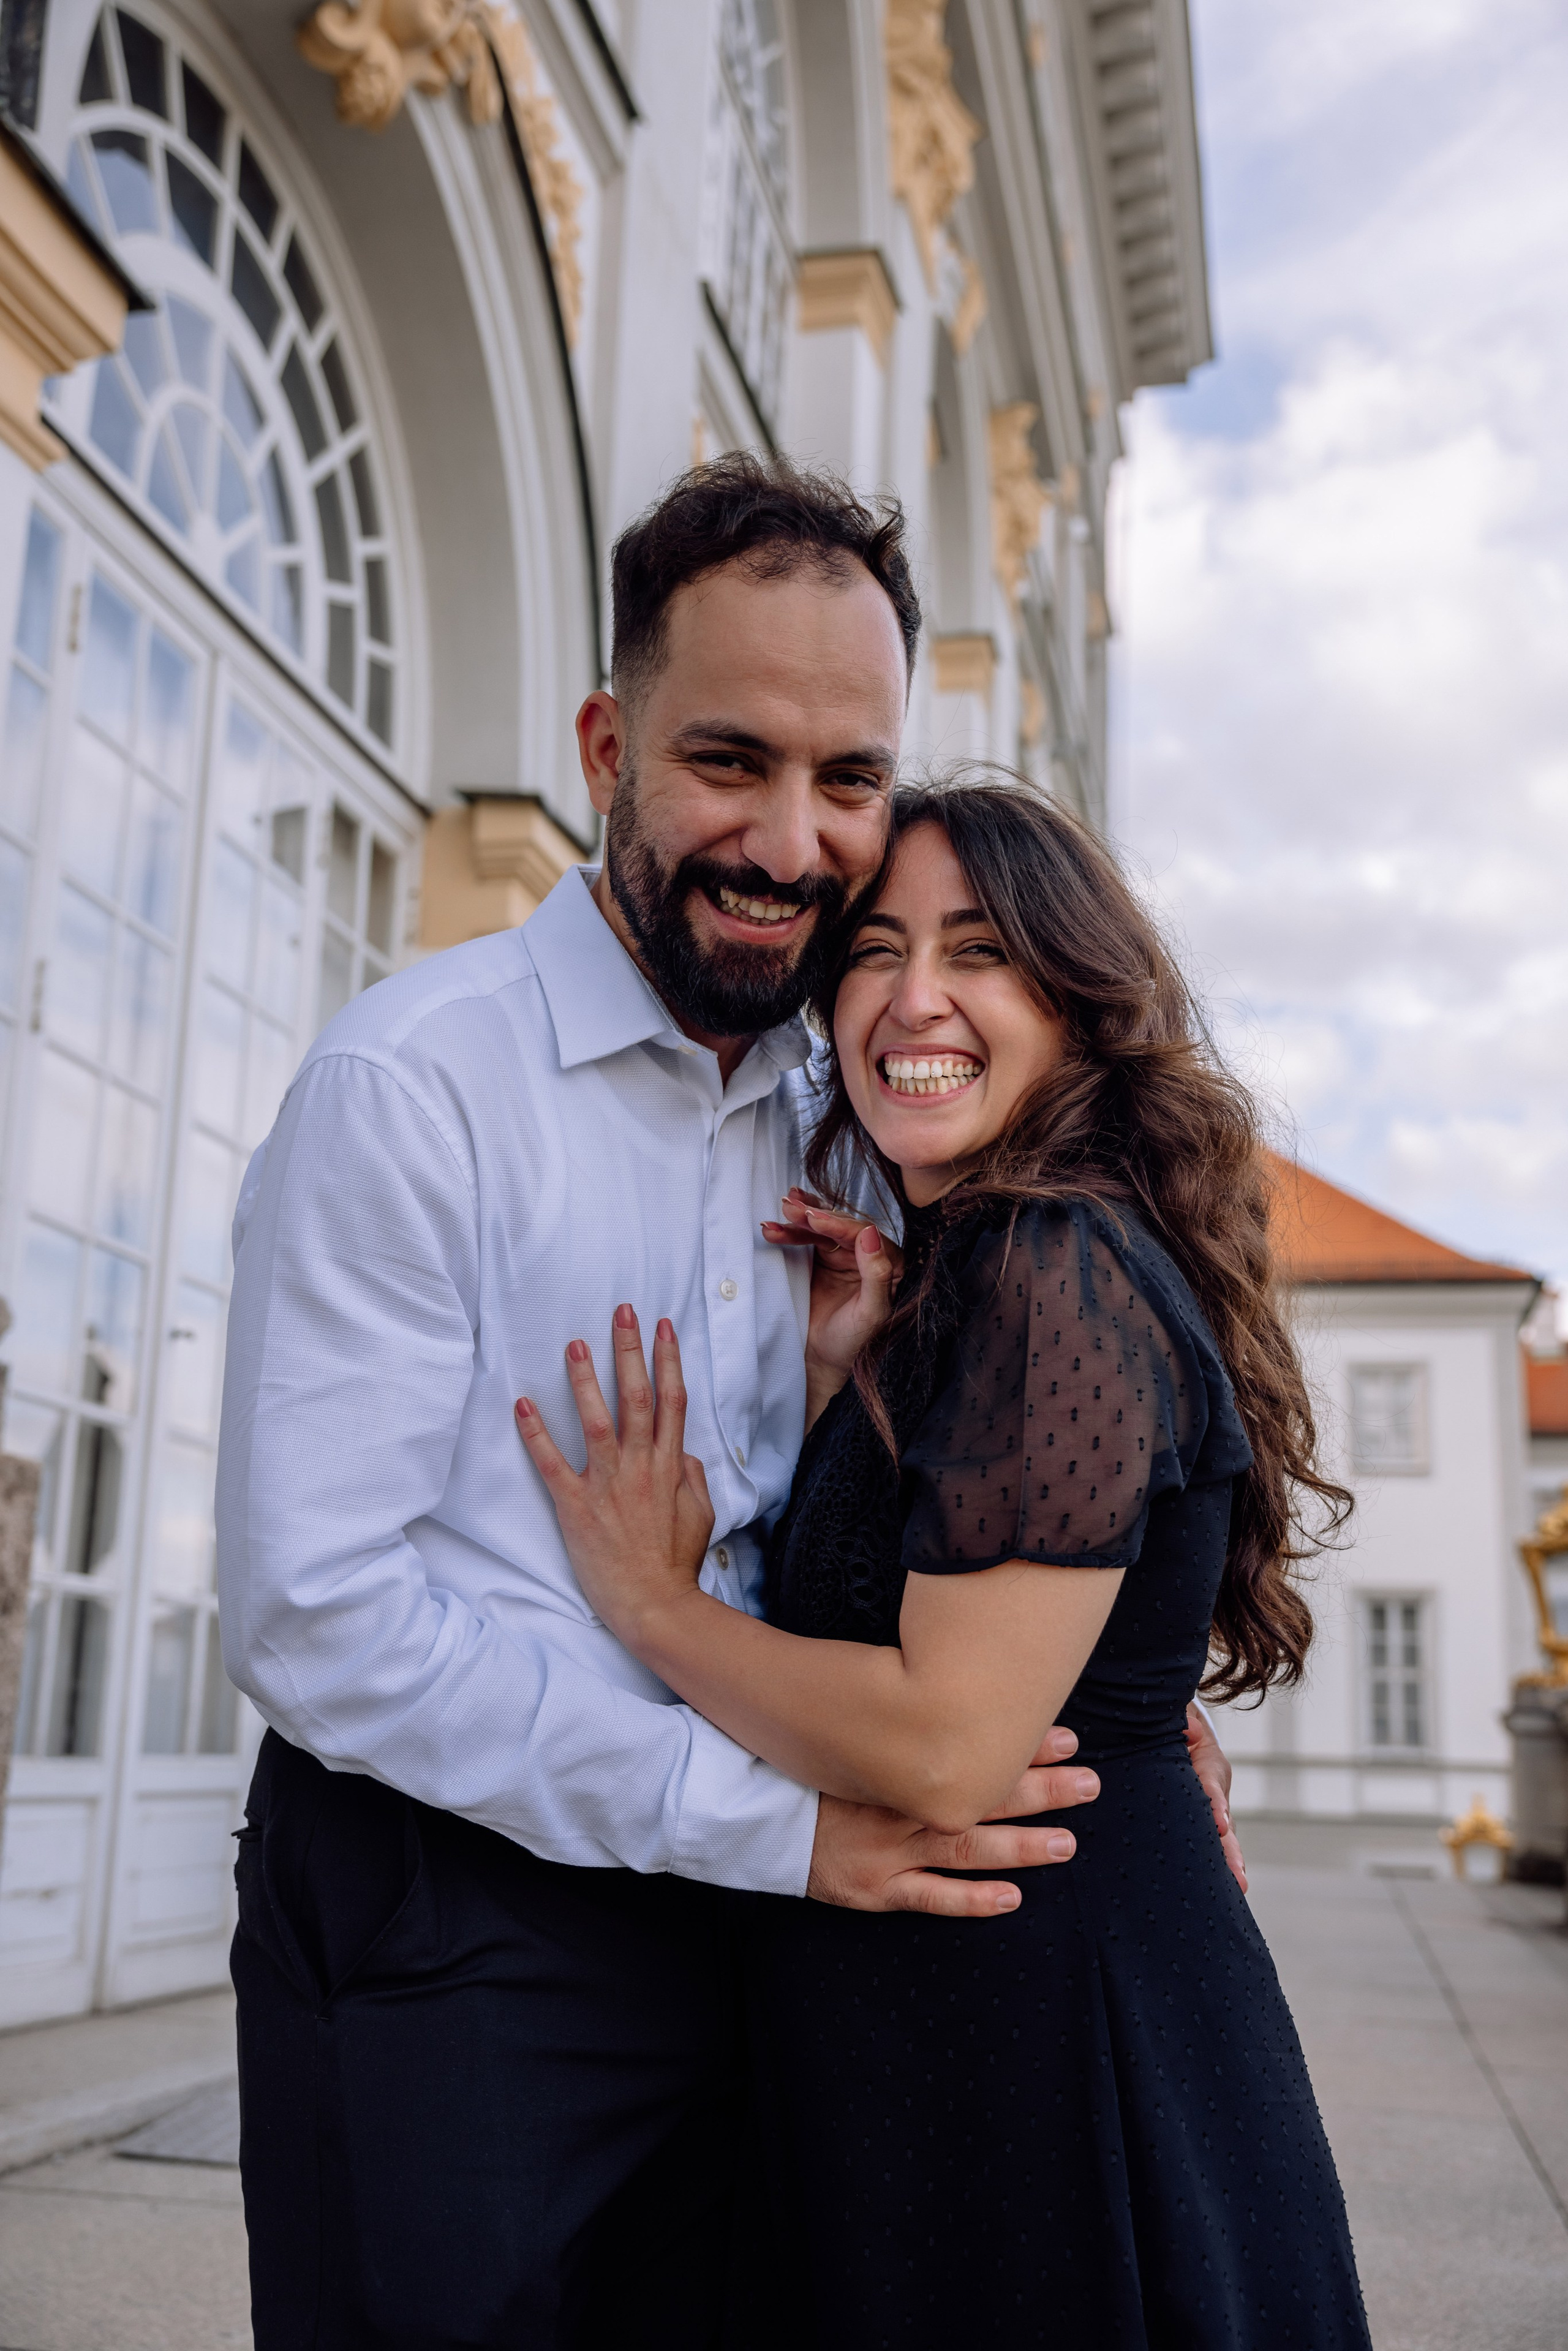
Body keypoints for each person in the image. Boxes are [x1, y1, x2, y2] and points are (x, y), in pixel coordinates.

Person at [218, 455, 1235, 2349]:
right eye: (727, 759)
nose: (789, 837)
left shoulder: (865, 1103)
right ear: (608, 740)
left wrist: (1121, 1707)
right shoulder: (412, 1089)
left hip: (795, 1926)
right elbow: (315, 1616)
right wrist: (770, 1821)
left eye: (849, 779)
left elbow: (997, 1486)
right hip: (470, 1924)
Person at [518, 775, 1373, 2349]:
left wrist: (649, 1601)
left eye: (978, 951)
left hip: (1040, 2043)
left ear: (1074, 1001)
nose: (915, 998)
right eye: (875, 949)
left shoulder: (1050, 1258)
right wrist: (866, 1381)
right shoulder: (988, 1264)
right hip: (979, 2027)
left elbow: (946, 1739)